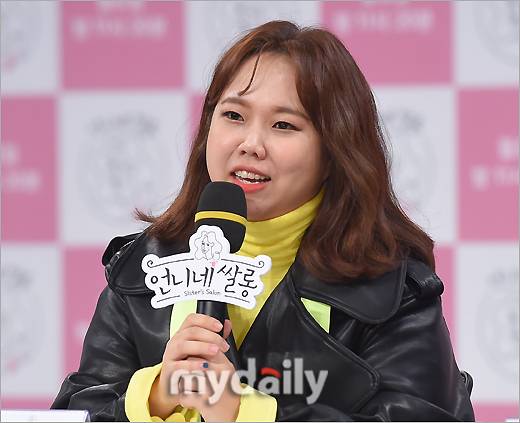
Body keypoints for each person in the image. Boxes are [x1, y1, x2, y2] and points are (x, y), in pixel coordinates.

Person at [52, 20, 475, 422]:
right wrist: (156, 396)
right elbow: (79, 408)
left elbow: (420, 414)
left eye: (283, 125)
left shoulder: (390, 288)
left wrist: (246, 412)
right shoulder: (141, 270)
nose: (251, 144)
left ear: (334, 149)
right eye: (234, 116)